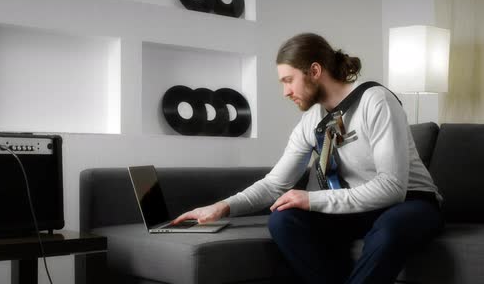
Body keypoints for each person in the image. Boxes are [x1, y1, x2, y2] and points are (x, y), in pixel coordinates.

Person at [172, 33, 444, 284]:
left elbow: (392, 188)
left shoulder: (377, 101)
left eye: (288, 80)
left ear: (315, 71)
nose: (285, 92)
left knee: (389, 230)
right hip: (359, 208)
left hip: (411, 202)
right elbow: (274, 184)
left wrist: (310, 198)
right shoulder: (311, 121)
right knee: (283, 219)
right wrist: (221, 207)